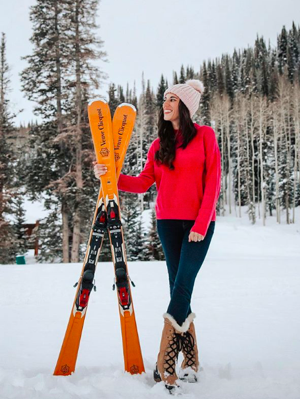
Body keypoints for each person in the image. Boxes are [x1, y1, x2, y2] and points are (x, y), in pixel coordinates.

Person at [94, 79, 221, 394]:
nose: (165, 103)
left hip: (198, 225)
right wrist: (109, 174)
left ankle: (165, 362)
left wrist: (201, 224)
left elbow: (213, 182)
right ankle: (190, 362)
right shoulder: (158, 145)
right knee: (179, 289)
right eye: (165, 98)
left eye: (172, 99)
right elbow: (142, 183)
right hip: (167, 223)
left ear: (186, 106)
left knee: (182, 288)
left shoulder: (205, 136)